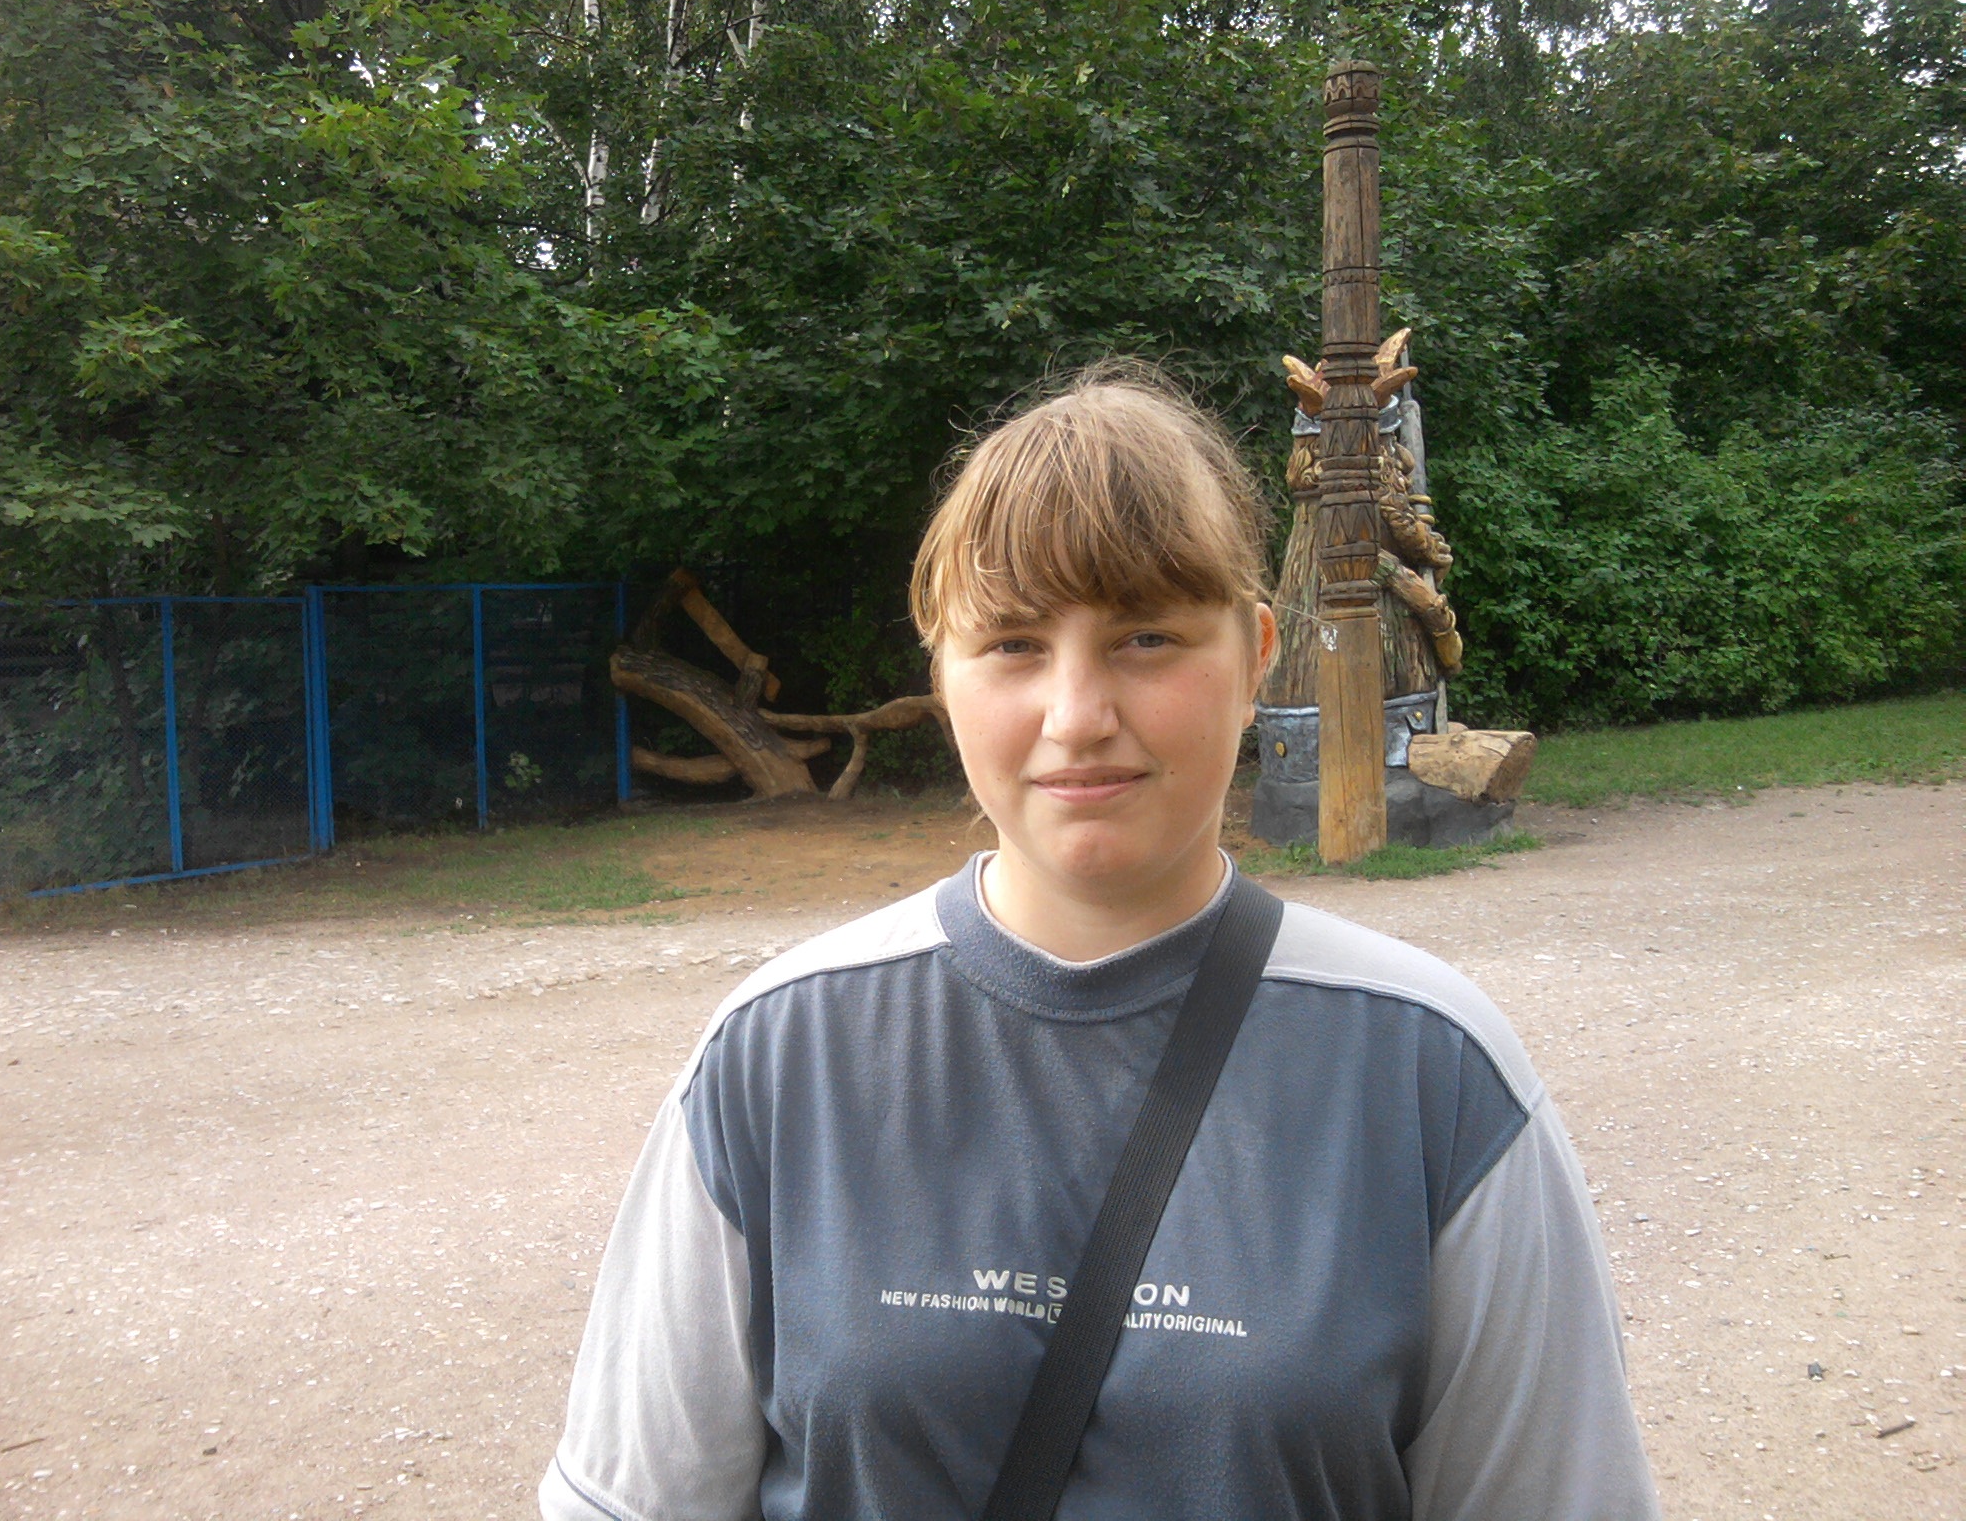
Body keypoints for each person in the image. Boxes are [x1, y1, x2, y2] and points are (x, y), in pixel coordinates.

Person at [541, 365, 1660, 1521]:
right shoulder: (779, 1054)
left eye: (1144, 637)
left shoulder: (1434, 1072)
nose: (1076, 716)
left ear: (1256, 658)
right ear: (940, 674)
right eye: (1013, 645)